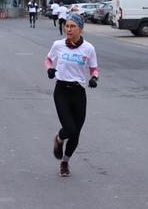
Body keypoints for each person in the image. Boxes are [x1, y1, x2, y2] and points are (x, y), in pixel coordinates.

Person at [45, 13, 99, 177]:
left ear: (80, 29)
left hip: (78, 93)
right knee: (69, 128)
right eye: (66, 26)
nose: (68, 29)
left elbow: (94, 69)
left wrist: (94, 78)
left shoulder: (88, 48)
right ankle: (59, 139)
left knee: (76, 133)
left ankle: (65, 162)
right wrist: (49, 70)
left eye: (72, 26)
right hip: (61, 90)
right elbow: (48, 60)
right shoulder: (58, 45)